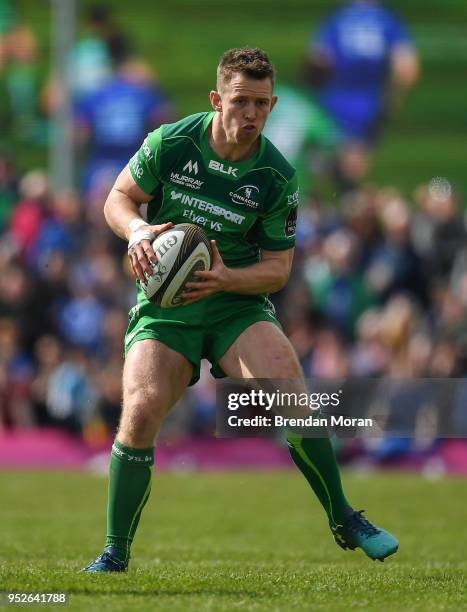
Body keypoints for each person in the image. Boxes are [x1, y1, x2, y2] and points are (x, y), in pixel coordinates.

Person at [82, 47, 398, 573]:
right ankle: (115, 551)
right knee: (138, 410)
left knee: (292, 396)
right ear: (216, 99)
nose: (250, 114)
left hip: (235, 304)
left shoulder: (276, 175)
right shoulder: (171, 142)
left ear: (272, 104)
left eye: (261, 103)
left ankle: (343, 515)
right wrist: (137, 229)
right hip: (169, 306)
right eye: (240, 101)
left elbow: (278, 269)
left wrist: (227, 277)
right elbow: (118, 197)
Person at [305, 0, 420, 190]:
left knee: (326, 164)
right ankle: (352, 205)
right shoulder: (388, 19)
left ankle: (325, 206)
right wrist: (394, 98)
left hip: (333, 99)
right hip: (370, 102)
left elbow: (318, 60)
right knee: (355, 168)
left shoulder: (337, 17)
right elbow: (407, 69)